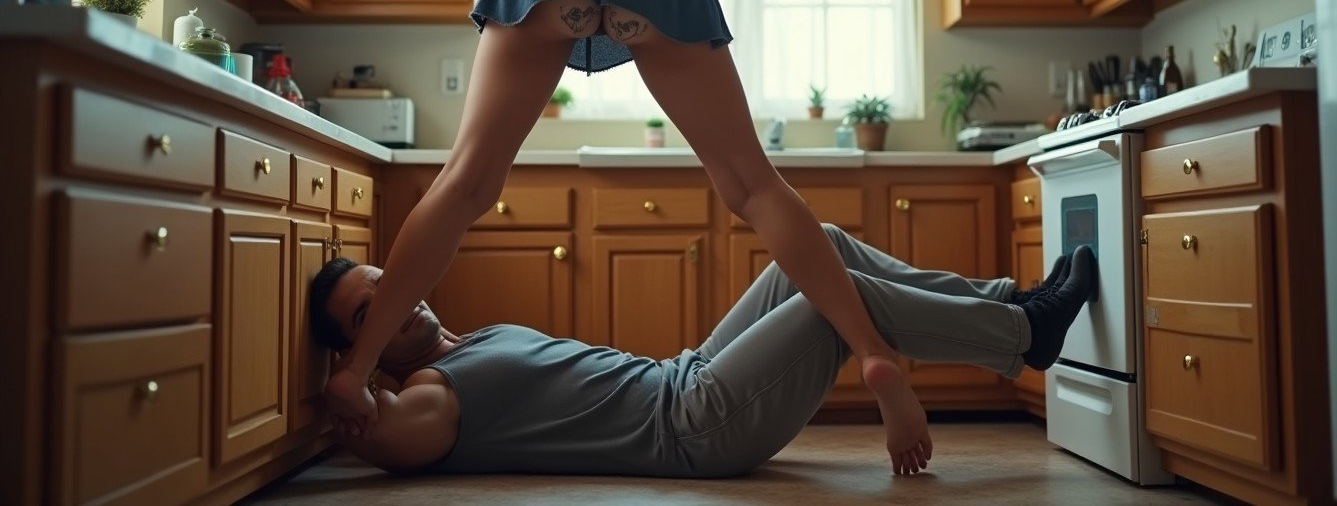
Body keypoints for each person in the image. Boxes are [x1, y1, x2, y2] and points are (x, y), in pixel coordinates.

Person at [323, 0, 937, 474]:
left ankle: (356, 366)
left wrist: (360, 374)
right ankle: (873, 354)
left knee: (464, 183)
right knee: (752, 185)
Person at [311, 226, 1096, 477]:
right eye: (367, 314)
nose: (399, 300)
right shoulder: (433, 393)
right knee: (831, 309)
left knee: (811, 248)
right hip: (693, 427)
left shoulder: (469, 339)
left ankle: (1005, 304)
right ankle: (1028, 338)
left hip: (683, 377)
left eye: (392, 281)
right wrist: (350, 388)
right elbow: (390, 434)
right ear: (364, 350)